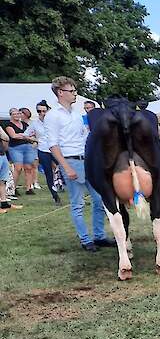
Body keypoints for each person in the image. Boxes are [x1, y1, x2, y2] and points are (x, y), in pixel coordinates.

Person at [46, 77, 112, 251]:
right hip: (71, 161)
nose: (75, 93)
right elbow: (52, 144)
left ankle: (99, 236)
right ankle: (85, 240)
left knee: (99, 200)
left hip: (87, 160)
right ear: (60, 92)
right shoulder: (53, 116)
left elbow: (84, 137)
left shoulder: (77, 114)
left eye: (75, 90)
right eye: (72, 91)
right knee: (78, 203)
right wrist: (66, 167)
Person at [29, 101, 59, 204]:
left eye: (44, 111)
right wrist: (34, 139)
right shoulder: (35, 123)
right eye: (39, 111)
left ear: (48, 110)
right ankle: (55, 196)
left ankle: (62, 184)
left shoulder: (55, 120)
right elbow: (26, 134)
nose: (41, 113)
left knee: (65, 169)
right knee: (48, 173)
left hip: (57, 149)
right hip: (43, 150)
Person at [4, 107, 38, 196]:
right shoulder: (8, 125)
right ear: (11, 115)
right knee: (18, 168)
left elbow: (33, 134)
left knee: (28, 167)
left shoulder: (25, 124)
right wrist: (26, 136)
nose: (16, 115)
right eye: (14, 114)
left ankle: (29, 188)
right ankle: (13, 189)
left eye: (18, 113)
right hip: (15, 147)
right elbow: (13, 136)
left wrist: (23, 136)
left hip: (27, 147)